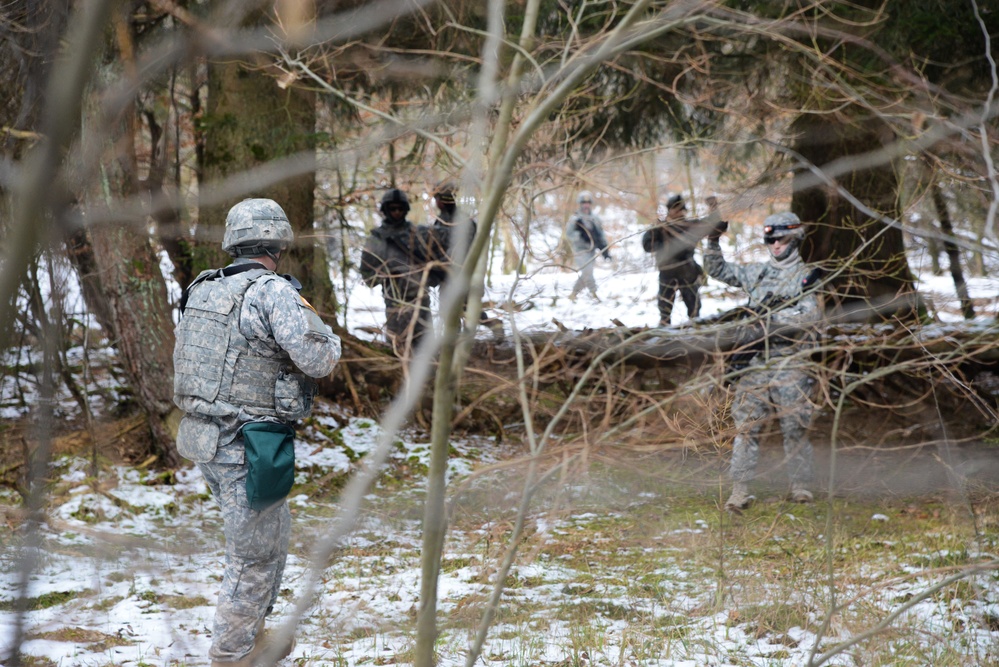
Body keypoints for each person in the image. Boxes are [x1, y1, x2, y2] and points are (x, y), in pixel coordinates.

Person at [172, 198, 341, 666]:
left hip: (207, 437)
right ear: (278, 243)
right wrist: (331, 337)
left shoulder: (203, 287)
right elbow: (319, 359)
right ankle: (232, 654)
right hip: (249, 443)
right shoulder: (272, 292)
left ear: (233, 241)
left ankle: (253, 635)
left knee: (271, 536)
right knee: (254, 556)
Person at [703, 211, 821, 512]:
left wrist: (773, 320)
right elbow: (717, 270)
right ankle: (740, 490)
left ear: (795, 238)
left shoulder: (807, 276)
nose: (775, 245)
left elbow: (809, 314)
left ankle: (800, 485)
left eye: (781, 238)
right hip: (755, 362)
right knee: (745, 427)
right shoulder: (756, 273)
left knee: (794, 424)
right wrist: (713, 239)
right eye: (770, 239)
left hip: (789, 360)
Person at [360, 188, 444, 356]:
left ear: (405, 209)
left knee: (426, 354)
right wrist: (388, 272)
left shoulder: (418, 234)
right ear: (385, 210)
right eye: (393, 209)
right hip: (395, 305)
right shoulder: (377, 239)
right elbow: (368, 275)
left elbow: (437, 263)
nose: (397, 212)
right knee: (398, 354)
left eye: (400, 208)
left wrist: (427, 277)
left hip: (421, 301)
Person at [642, 193, 711, 326]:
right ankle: (665, 332)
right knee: (665, 308)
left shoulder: (690, 225)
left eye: (681, 209)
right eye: (676, 209)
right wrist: (662, 247)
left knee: (694, 308)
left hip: (687, 269)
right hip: (667, 271)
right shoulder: (660, 227)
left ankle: (696, 330)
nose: (679, 212)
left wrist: (714, 208)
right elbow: (646, 245)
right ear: (670, 210)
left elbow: (713, 225)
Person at [566, 190, 611, 301]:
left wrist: (606, 250)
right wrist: (580, 235)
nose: (586, 205)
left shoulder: (595, 219)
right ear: (580, 204)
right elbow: (568, 234)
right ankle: (593, 292)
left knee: (587, 272)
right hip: (580, 250)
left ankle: (573, 294)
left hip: (591, 250)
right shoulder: (575, 219)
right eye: (583, 203)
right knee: (587, 270)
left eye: (588, 203)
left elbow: (601, 235)